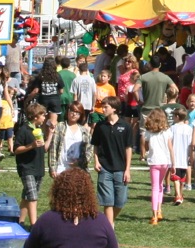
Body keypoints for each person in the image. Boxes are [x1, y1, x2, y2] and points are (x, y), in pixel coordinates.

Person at [91, 96, 135, 224]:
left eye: (106, 107)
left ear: (114, 108)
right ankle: (109, 229)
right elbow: (96, 145)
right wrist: (96, 161)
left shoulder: (126, 126)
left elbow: (128, 148)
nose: (103, 109)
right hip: (105, 168)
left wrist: (127, 170)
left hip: (121, 169)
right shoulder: (100, 126)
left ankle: (109, 221)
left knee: (120, 201)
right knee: (107, 201)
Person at [14, 102, 49, 226]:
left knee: (27, 196)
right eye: (43, 115)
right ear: (35, 116)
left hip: (38, 168)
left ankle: (20, 221)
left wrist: (50, 134)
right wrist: (31, 146)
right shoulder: (24, 130)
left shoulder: (39, 130)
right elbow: (16, 149)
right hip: (27, 168)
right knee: (33, 197)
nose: (44, 118)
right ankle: (34, 225)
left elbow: (45, 148)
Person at [142, 107, 173, 225]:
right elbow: (170, 148)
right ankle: (159, 210)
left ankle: (154, 215)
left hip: (154, 162)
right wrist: (173, 163)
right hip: (165, 162)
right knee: (160, 186)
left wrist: (144, 153)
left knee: (155, 187)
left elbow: (144, 144)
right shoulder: (167, 132)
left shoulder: (148, 133)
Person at [48, 101, 95, 179]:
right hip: (61, 168)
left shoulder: (84, 130)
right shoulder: (60, 126)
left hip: (78, 169)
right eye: (72, 111)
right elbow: (53, 148)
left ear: (81, 115)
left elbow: (89, 150)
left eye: (77, 112)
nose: (74, 114)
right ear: (67, 112)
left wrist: (79, 162)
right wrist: (53, 168)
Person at [169, 106, 194, 203]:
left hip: (174, 155)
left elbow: (169, 141)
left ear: (177, 117)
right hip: (185, 155)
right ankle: (179, 194)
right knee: (182, 176)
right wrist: (190, 154)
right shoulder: (189, 129)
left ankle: (178, 195)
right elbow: (191, 143)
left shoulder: (172, 128)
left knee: (175, 176)